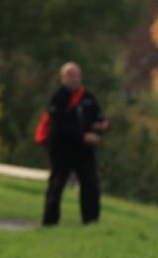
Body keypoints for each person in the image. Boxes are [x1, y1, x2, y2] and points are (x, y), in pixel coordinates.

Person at [41, 61, 108, 226]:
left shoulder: (87, 97)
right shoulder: (57, 98)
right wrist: (82, 136)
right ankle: (50, 222)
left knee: (90, 184)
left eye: (77, 75)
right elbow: (58, 124)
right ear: (63, 77)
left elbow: (99, 116)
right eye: (70, 75)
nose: (74, 79)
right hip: (62, 150)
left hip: (84, 152)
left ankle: (91, 222)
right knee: (57, 184)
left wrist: (104, 125)